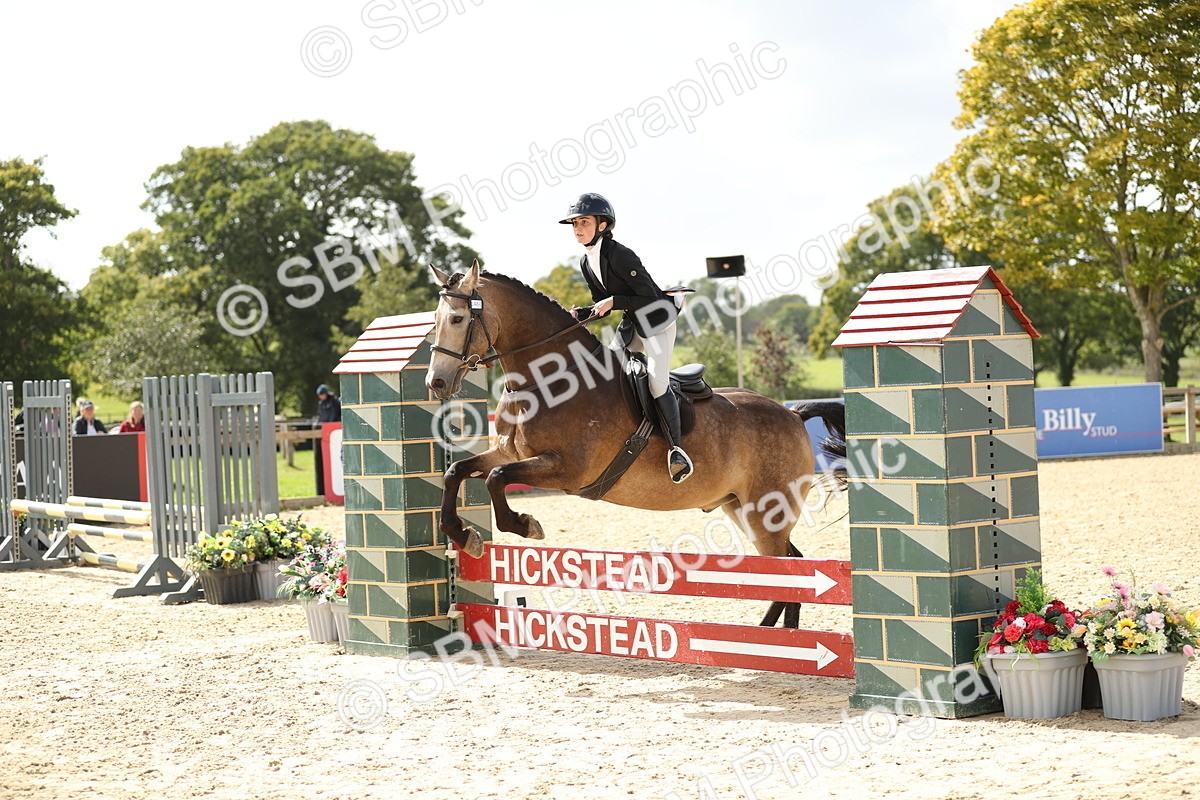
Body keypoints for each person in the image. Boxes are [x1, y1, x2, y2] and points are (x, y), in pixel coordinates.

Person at [560, 192, 693, 483]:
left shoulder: (621, 254)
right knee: (604, 370)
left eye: (584, 222)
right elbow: (604, 304)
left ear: (603, 225)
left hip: (657, 321)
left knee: (658, 383)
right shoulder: (585, 261)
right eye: (574, 224)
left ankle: (677, 451)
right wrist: (583, 313)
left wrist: (614, 302)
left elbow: (647, 296)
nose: (578, 228)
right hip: (632, 325)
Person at [314, 384, 342, 495]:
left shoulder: (335, 401)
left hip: (333, 431)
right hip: (324, 430)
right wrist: (317, 424)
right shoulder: (321, 403)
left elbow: (335, 415)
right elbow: (320, 415)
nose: (321, 397)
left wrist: (330, 425)